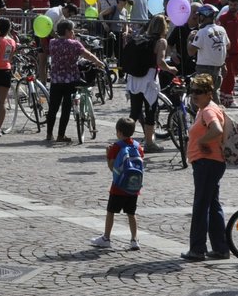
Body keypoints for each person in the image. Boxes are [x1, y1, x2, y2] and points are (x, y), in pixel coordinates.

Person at [179, 74, 230, 262]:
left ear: (209, 93)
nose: (194, 96)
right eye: (192, 92)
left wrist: (201, 141)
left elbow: (216, 129)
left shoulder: (208, 110)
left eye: (198, 92)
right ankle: (220, 248)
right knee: (212, 204)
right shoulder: (205, 108)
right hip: (210, 163)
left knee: (201, 206)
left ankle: (197, 249)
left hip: (207, 163)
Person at [44, 19, 105, 145]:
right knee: (66, 108)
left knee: (53, 108)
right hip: (71, 79)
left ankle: (49, 134)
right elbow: (87, 55)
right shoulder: (75, 44)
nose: (73, 32)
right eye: (71, 30)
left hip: (55, 79)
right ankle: (61, 135)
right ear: (67, 31)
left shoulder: (53, 43)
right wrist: (98, 62)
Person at [91, 117, 143, 250]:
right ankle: (134, 239)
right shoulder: (137, 146)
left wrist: (108, 154)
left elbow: (111, 167)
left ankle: (106, 238)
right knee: (131, 213)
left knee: (111, 212)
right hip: (133, 187)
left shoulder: (117, 147)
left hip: (118, 187)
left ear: (119, 132)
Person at [123, 17, 170, 153]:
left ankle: (124, 139)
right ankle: (149, 143)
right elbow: (160, 62)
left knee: (135, 111)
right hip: (148, 79)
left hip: (134, 78)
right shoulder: (161, 41)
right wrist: (171, 69)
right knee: (150, 111)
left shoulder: (139, 38)